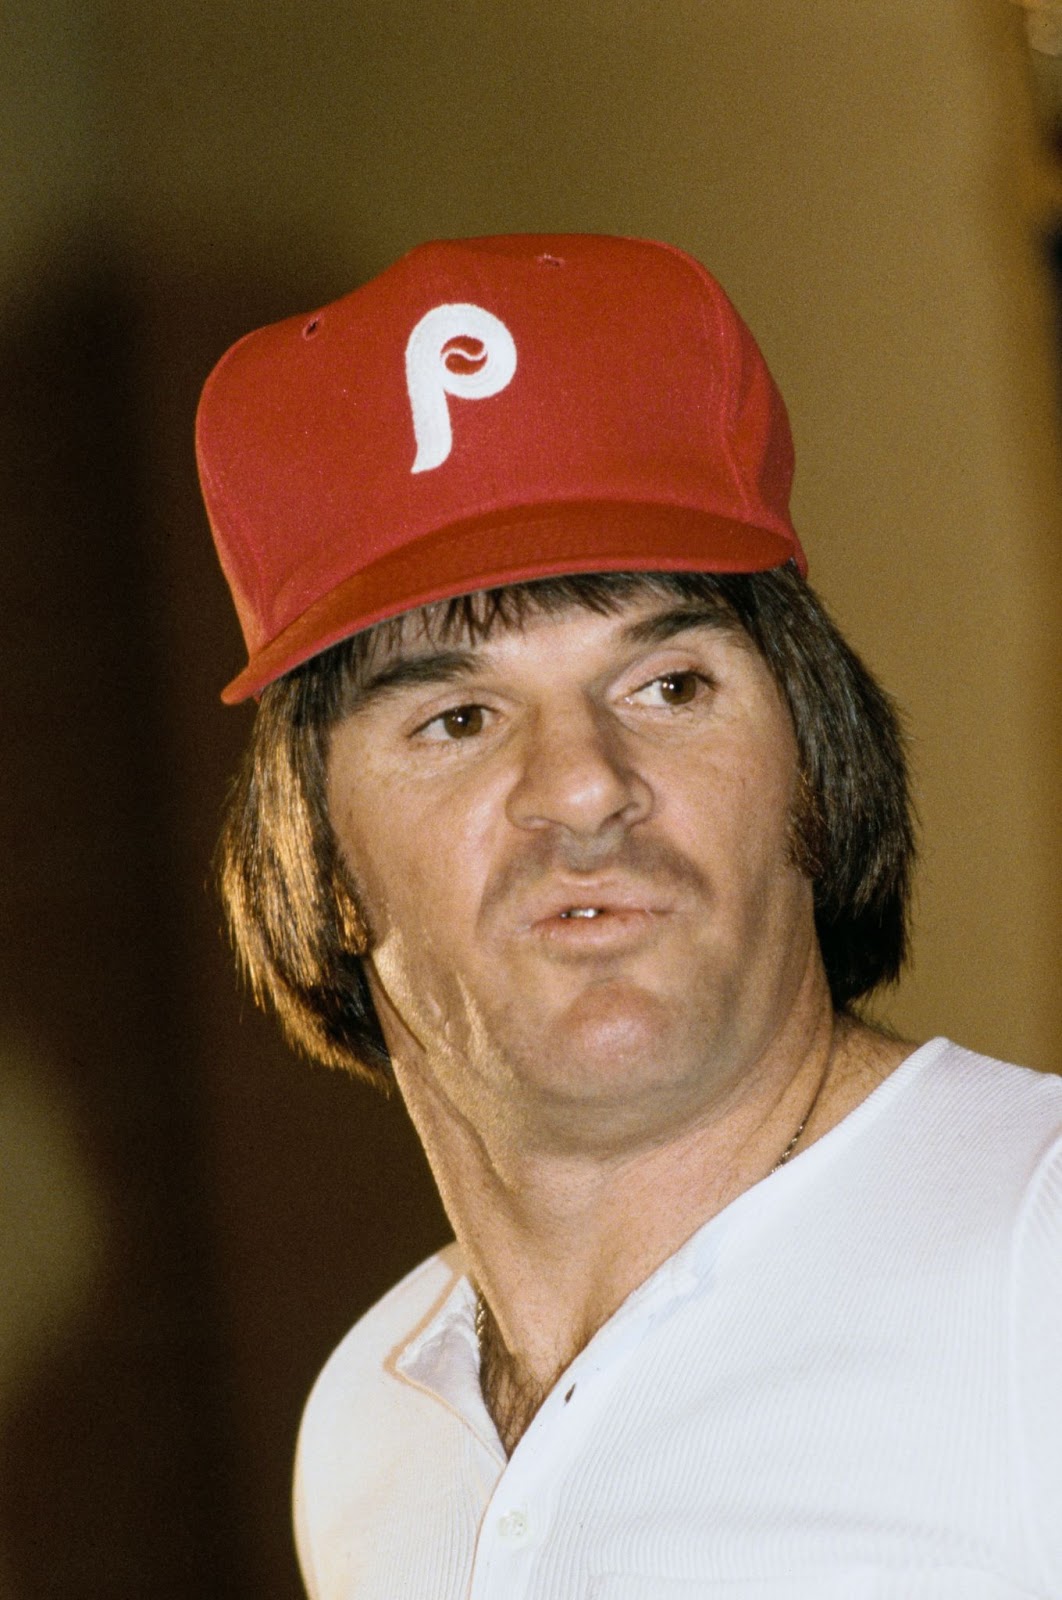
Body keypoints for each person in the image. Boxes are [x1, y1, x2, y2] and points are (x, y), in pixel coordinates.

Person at [196, 234, 1062, 1600]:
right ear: (321, 858)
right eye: (459, 717)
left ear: (811, 765)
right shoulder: (373, 1428)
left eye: (666, 684)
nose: (585, 786)